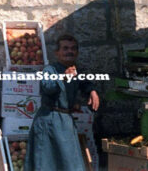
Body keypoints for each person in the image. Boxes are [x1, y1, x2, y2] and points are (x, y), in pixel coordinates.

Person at [25, 34, 100, 171]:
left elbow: (86, 83)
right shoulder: (50, 70)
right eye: (65, 48)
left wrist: (92, 91)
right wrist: (63, 78)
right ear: (57, 53)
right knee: (46, 164)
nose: (69, 51)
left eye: (73, 48)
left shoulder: (76, 70)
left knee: (70, 164)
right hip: (49, 121)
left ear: (77, 52)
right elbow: (47, 87)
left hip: (66, 121)